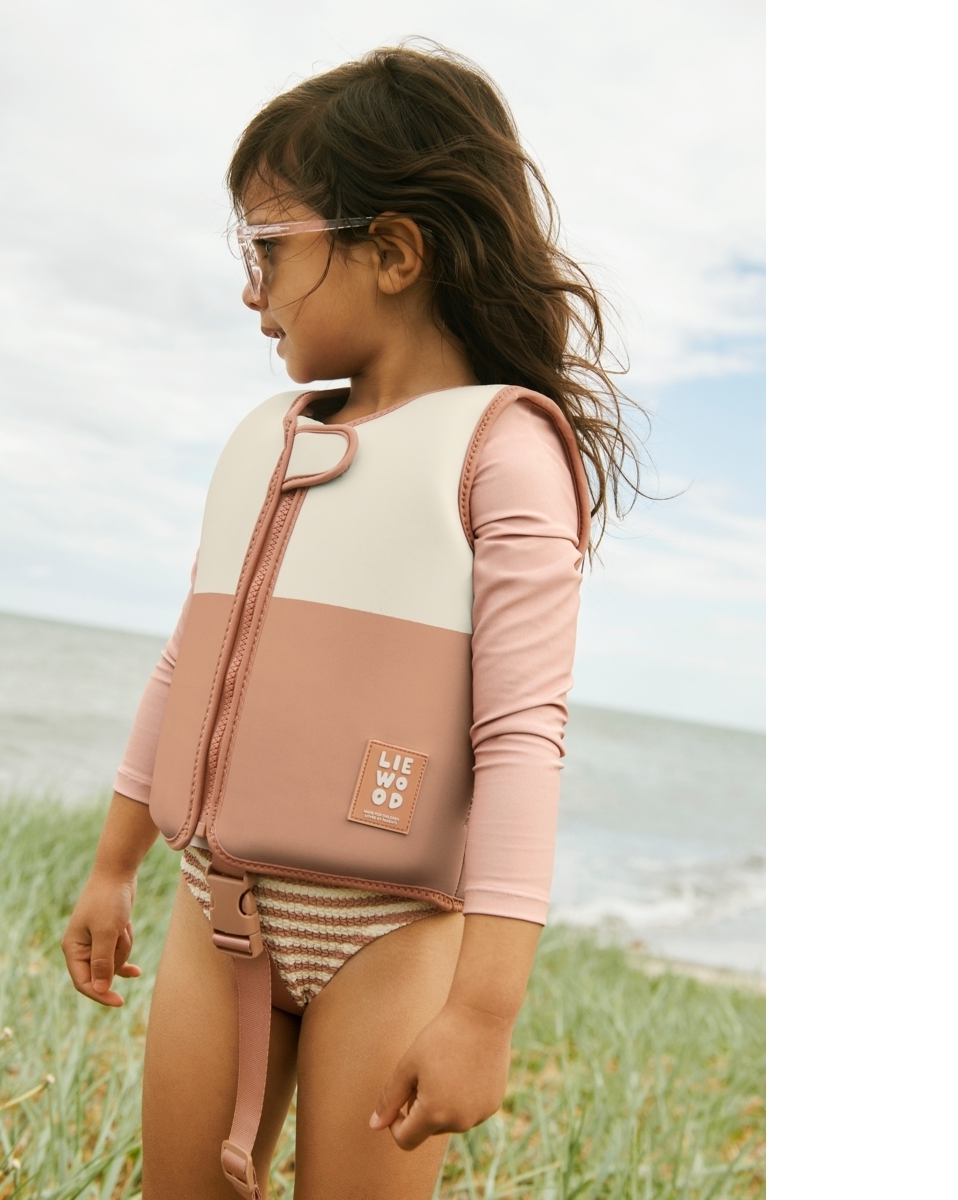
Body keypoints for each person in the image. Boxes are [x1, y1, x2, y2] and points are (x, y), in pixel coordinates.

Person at [61, 44, 641, 1200]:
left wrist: (483, 1011)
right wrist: (114, 864)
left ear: (392, 251)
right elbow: (186, 660)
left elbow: (519, 740)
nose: (251, 289)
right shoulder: (265, 442)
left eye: (269, 249)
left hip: (387, 936)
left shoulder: (505, 456)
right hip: (214, 909)